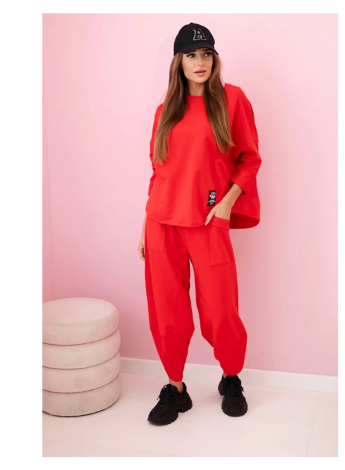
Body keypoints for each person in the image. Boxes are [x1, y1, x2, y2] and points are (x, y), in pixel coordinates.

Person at [138, 22, 262, 426]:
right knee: (167, 312)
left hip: (208, 220)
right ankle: (175, 388)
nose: (200, 62)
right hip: (162, 222)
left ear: (214, 58)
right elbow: (159, 172)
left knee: (220, 310)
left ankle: (231, 378)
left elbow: (250, 159)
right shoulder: (165, 111)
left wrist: (226, 203)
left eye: (206, 53)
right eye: (191, 55)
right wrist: (145, 224)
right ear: (179, 61)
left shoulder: (232, 99)